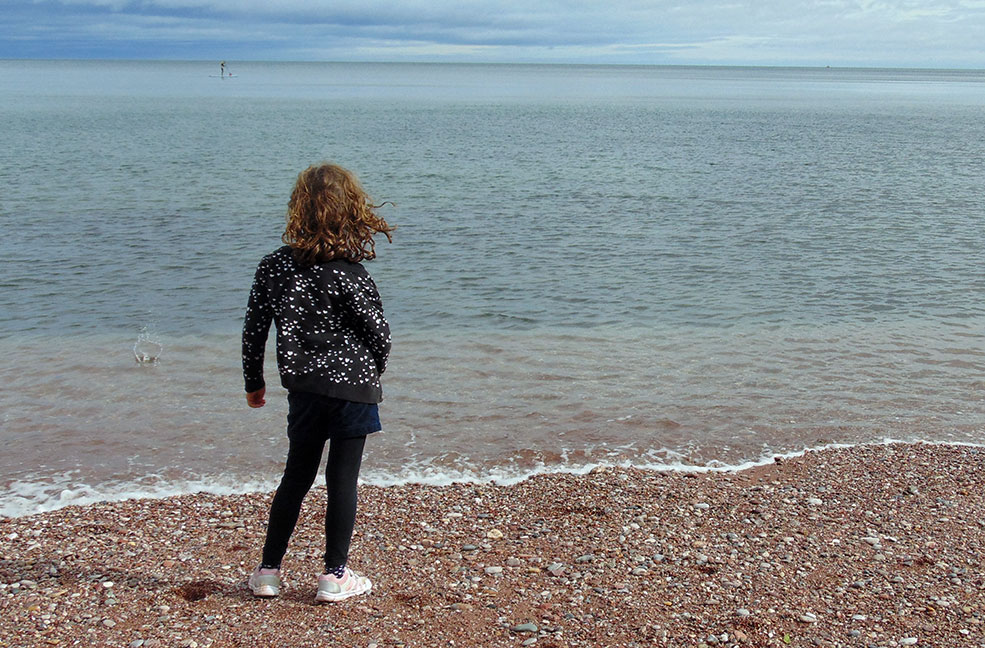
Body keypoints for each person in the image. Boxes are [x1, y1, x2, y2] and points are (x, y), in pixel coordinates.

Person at [242, 163, 394, 603]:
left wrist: (254, 382)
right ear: (352, 211)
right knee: (342, 480)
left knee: (297, 475)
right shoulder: (351, 272)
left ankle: (269, 571)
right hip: (354, 390)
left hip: (305, 388)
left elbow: (255, 330)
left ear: (297, 210)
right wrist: (372, 374)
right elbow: (379, 334)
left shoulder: (274, 267)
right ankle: (334, 576)